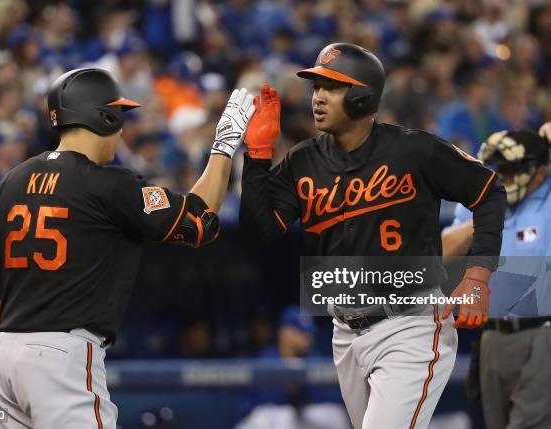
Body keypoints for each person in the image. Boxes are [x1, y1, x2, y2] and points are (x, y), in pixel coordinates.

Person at [0, 67, 254, 429]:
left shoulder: (11, 181)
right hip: (62, 359)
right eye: (117, 117)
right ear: (102, 117)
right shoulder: (108, 184)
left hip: (6, 354)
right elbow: (199, 221)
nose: (121, 130)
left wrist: (6, 368)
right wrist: (224, 146)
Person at [239, 43, 506, 429]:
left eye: (331, 87)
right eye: (316, 88)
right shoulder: (303, 160)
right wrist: (258, 155)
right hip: (345, 332)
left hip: (410, 323)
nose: (317, 97)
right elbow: (259, 233)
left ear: (363, 97)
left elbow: (489, 191)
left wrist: (479, 272)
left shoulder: (414, 149)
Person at [442, 128, 551, 429]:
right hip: (490, 336)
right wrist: (484, 220)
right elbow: (440, 254)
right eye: (497, 168)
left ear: (540, 171)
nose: (503, 175)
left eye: (513, 169)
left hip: (542, 334)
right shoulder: (482, 199)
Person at [236, 306, 351, 429]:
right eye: (300, 331)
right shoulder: (266, 360)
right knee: (268, 416)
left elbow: (334, 398)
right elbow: (252, 405)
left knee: (336, 414)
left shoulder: (315, 359)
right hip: (274, 419)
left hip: (306, 419)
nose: (307, 336)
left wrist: (301, 391)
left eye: (309, 331)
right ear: (284, 333)